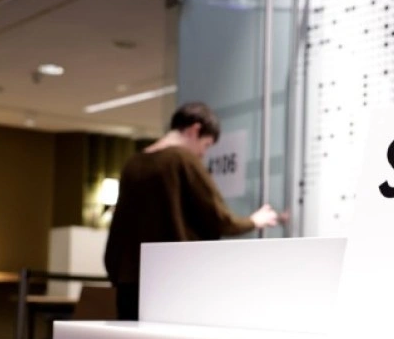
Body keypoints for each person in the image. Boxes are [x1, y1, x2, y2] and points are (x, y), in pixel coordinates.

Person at [104, 102, 281, 321]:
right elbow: (218, 217)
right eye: (206, 145)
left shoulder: (133, 163)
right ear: (195, 130)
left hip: (129, 281)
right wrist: (254, 221)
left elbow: (120, 228)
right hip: (172, 280)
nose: (202, 154)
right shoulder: (182, 159)